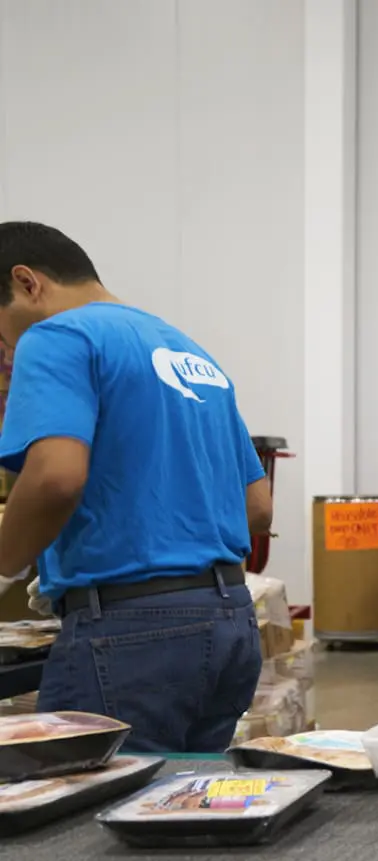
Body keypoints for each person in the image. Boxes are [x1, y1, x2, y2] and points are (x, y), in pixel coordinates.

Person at [0, 222, 271, 753]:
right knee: (178, 811)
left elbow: (54, 477)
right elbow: (257, 508)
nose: (7, 345)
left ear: (28, 283)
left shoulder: (58, 336)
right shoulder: (190, 352)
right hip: (230, 622)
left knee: (79, 819)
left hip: (129, 636)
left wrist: (6, 563)